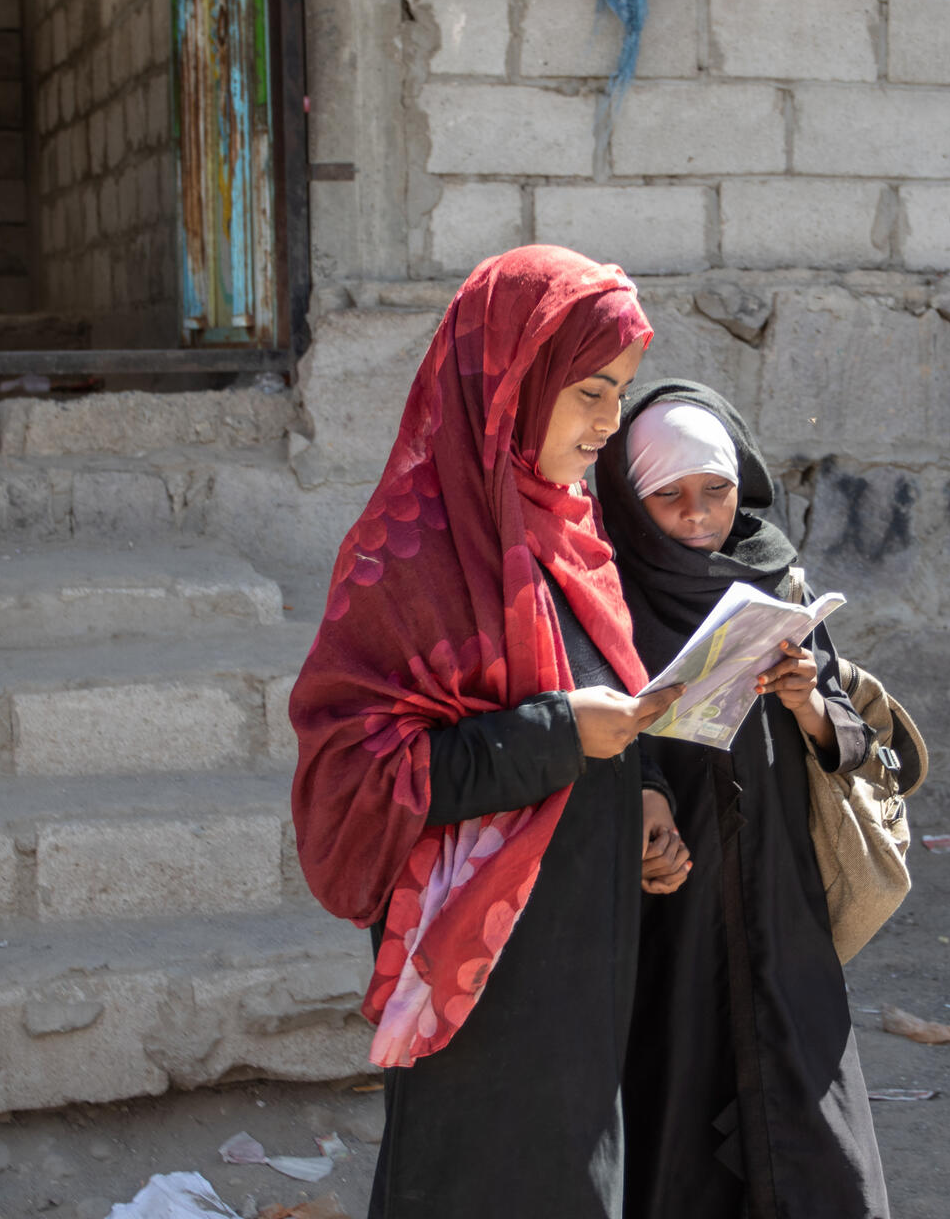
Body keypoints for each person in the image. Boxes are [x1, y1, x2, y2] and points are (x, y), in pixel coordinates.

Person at [288, 246, 688, 1219]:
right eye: (587, 392)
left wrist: (637, 793)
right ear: (515, 379)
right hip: (479, 987)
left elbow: (601, 700)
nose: (606, 424)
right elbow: (351, 779)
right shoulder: (409, 554)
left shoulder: (569, 532)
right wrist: (557, 736)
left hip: (583, 957)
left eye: (619, 395)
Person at [597, 379, 891, 1219]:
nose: (696, 516)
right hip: (673, 900)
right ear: (630, 495)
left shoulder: (778, 578)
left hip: (776, 895)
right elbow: (594, 734)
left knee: (804, 1114)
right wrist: (643, 795)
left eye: (715, 491)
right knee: (677, 1095)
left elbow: (855, 743)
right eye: (669, 497)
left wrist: (805, 699)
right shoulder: (609, 592)